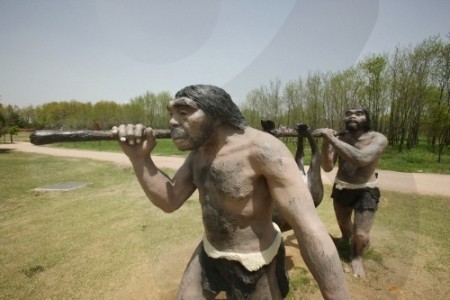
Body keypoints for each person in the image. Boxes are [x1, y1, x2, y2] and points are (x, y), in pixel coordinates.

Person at [112, 85, 350, 299]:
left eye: (183, 113)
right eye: (171, 114)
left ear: (216, 115)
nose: (173, 122)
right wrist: (140, 159)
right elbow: (170, 200)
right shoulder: (199, 153)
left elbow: (308, 226)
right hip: (210, 252)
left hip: (254, 262)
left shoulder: (262, 149)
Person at [313, 108, 388, 279]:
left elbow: (361, 159)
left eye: (359, 113)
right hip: (342, 188)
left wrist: (331, 139)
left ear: (367, 118)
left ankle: (356, 256)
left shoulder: (378, 138)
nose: (352, 115)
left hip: (366, 189)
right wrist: (326, 143)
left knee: (361, 233)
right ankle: (346, 239)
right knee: (344, 223)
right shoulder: (340, 138)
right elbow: (327, 167)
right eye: (348, 113)